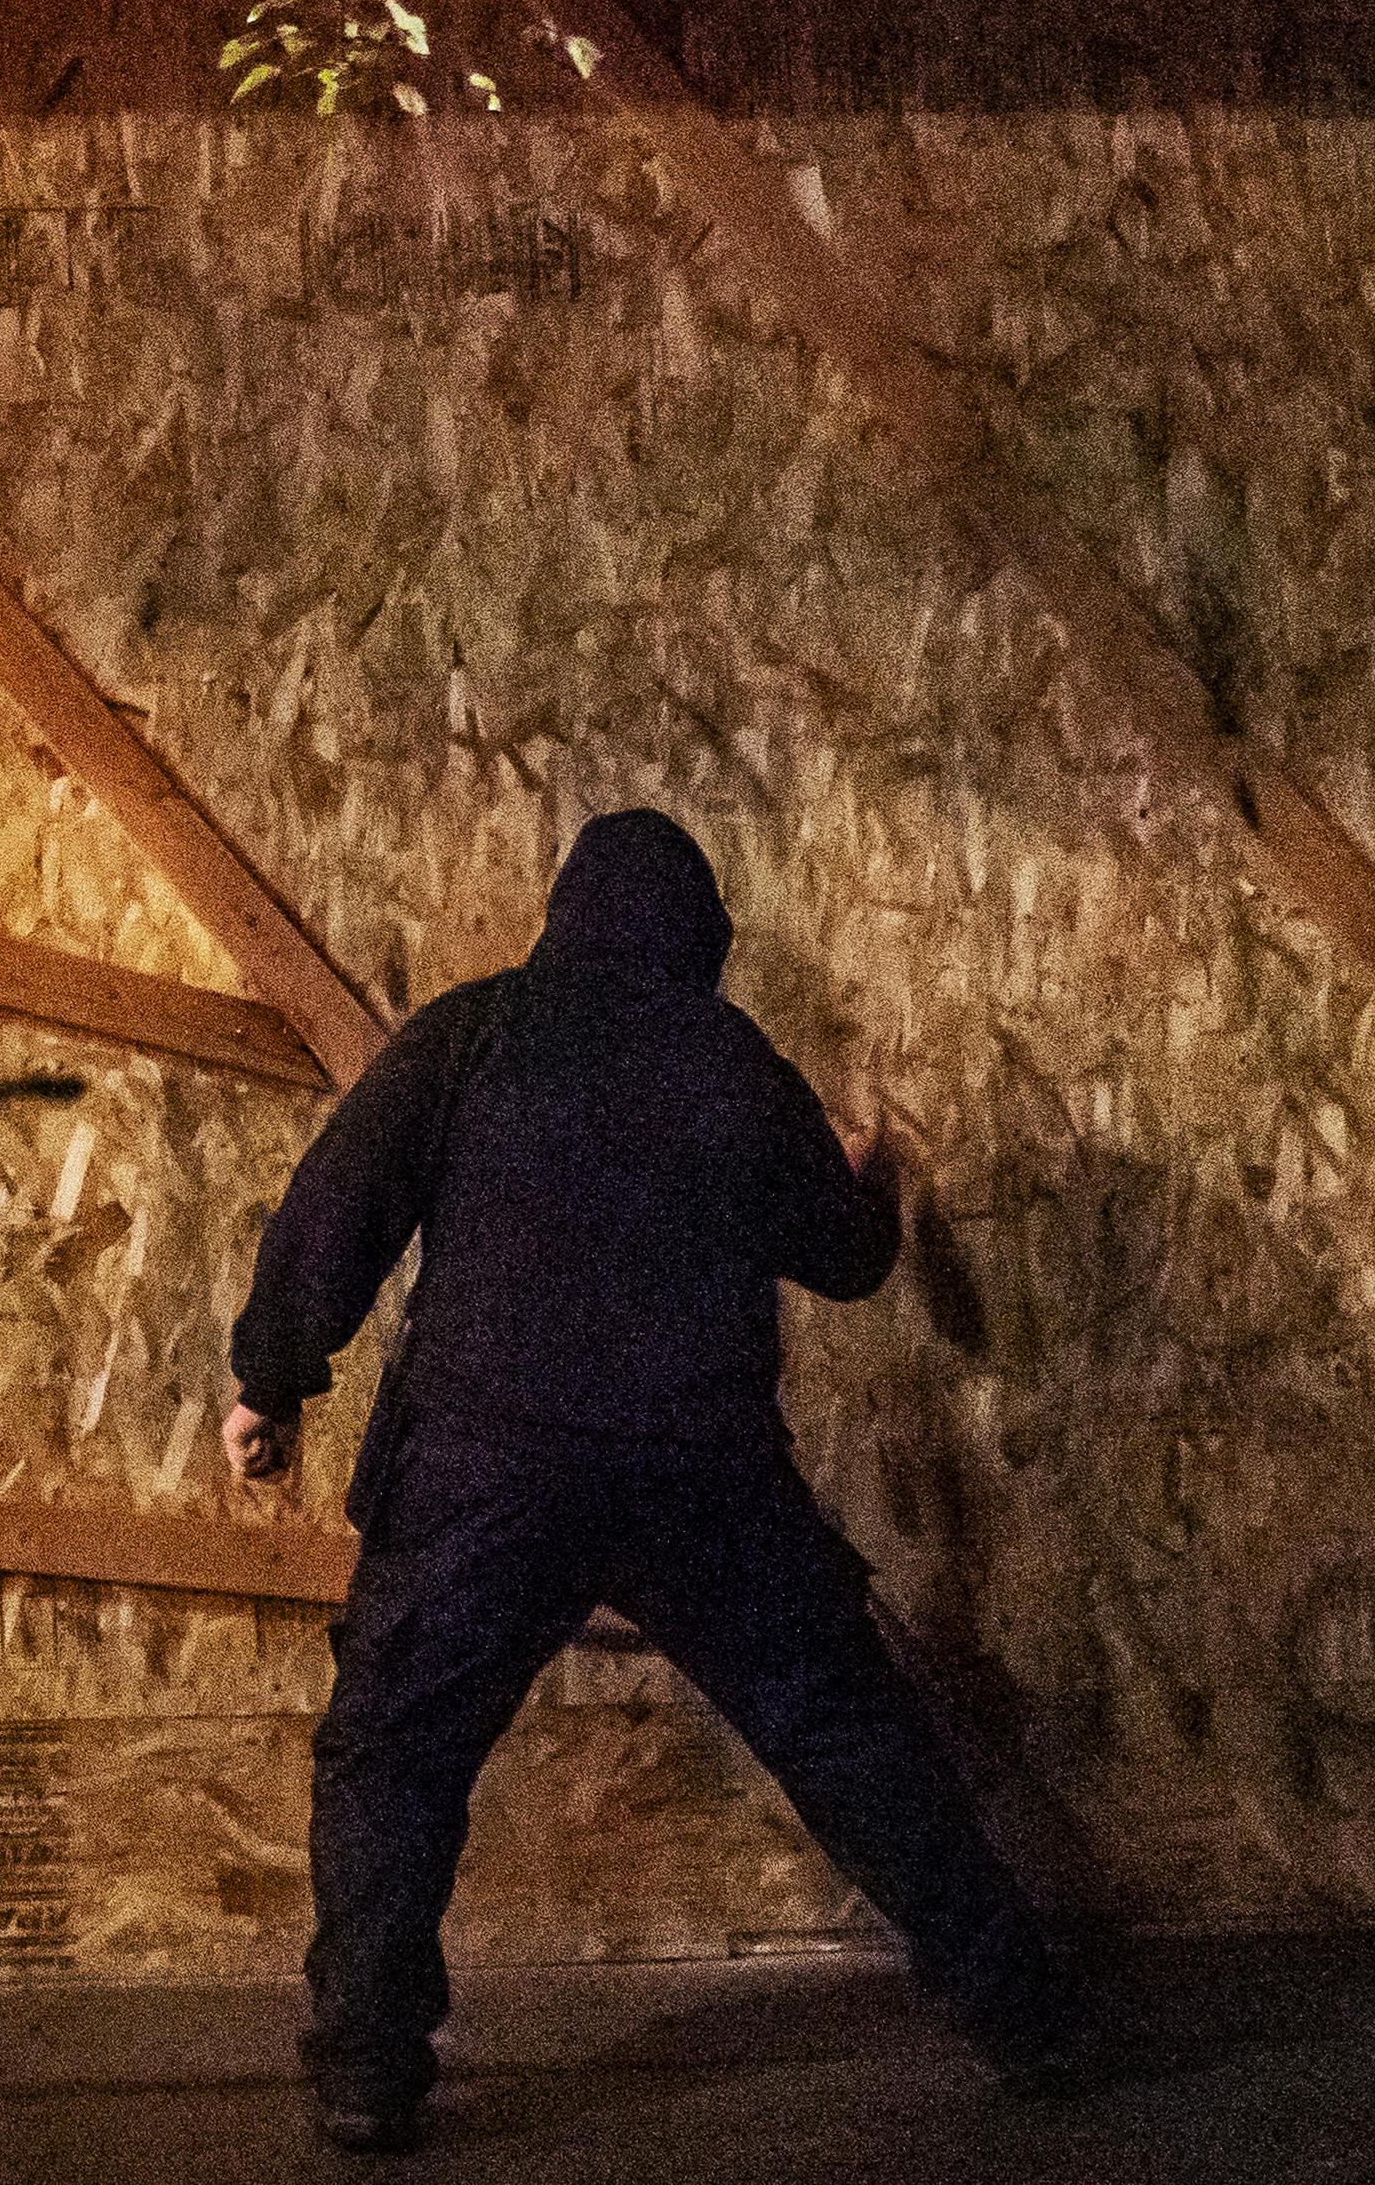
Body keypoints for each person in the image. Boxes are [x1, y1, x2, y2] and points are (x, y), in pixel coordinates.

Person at [224, 808, 1077, 2153]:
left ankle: (367, 2072)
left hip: (481, 1465)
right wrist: (873, 1183)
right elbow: (841, 1258)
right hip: (699, 1469)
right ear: (700, 939)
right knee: (840, 1726)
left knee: (392, 1754)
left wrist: (268, 1377)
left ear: (560, 912)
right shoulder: (729, 1062)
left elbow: (340, 1200)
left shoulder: (472, 1032)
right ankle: (1027, 2016)